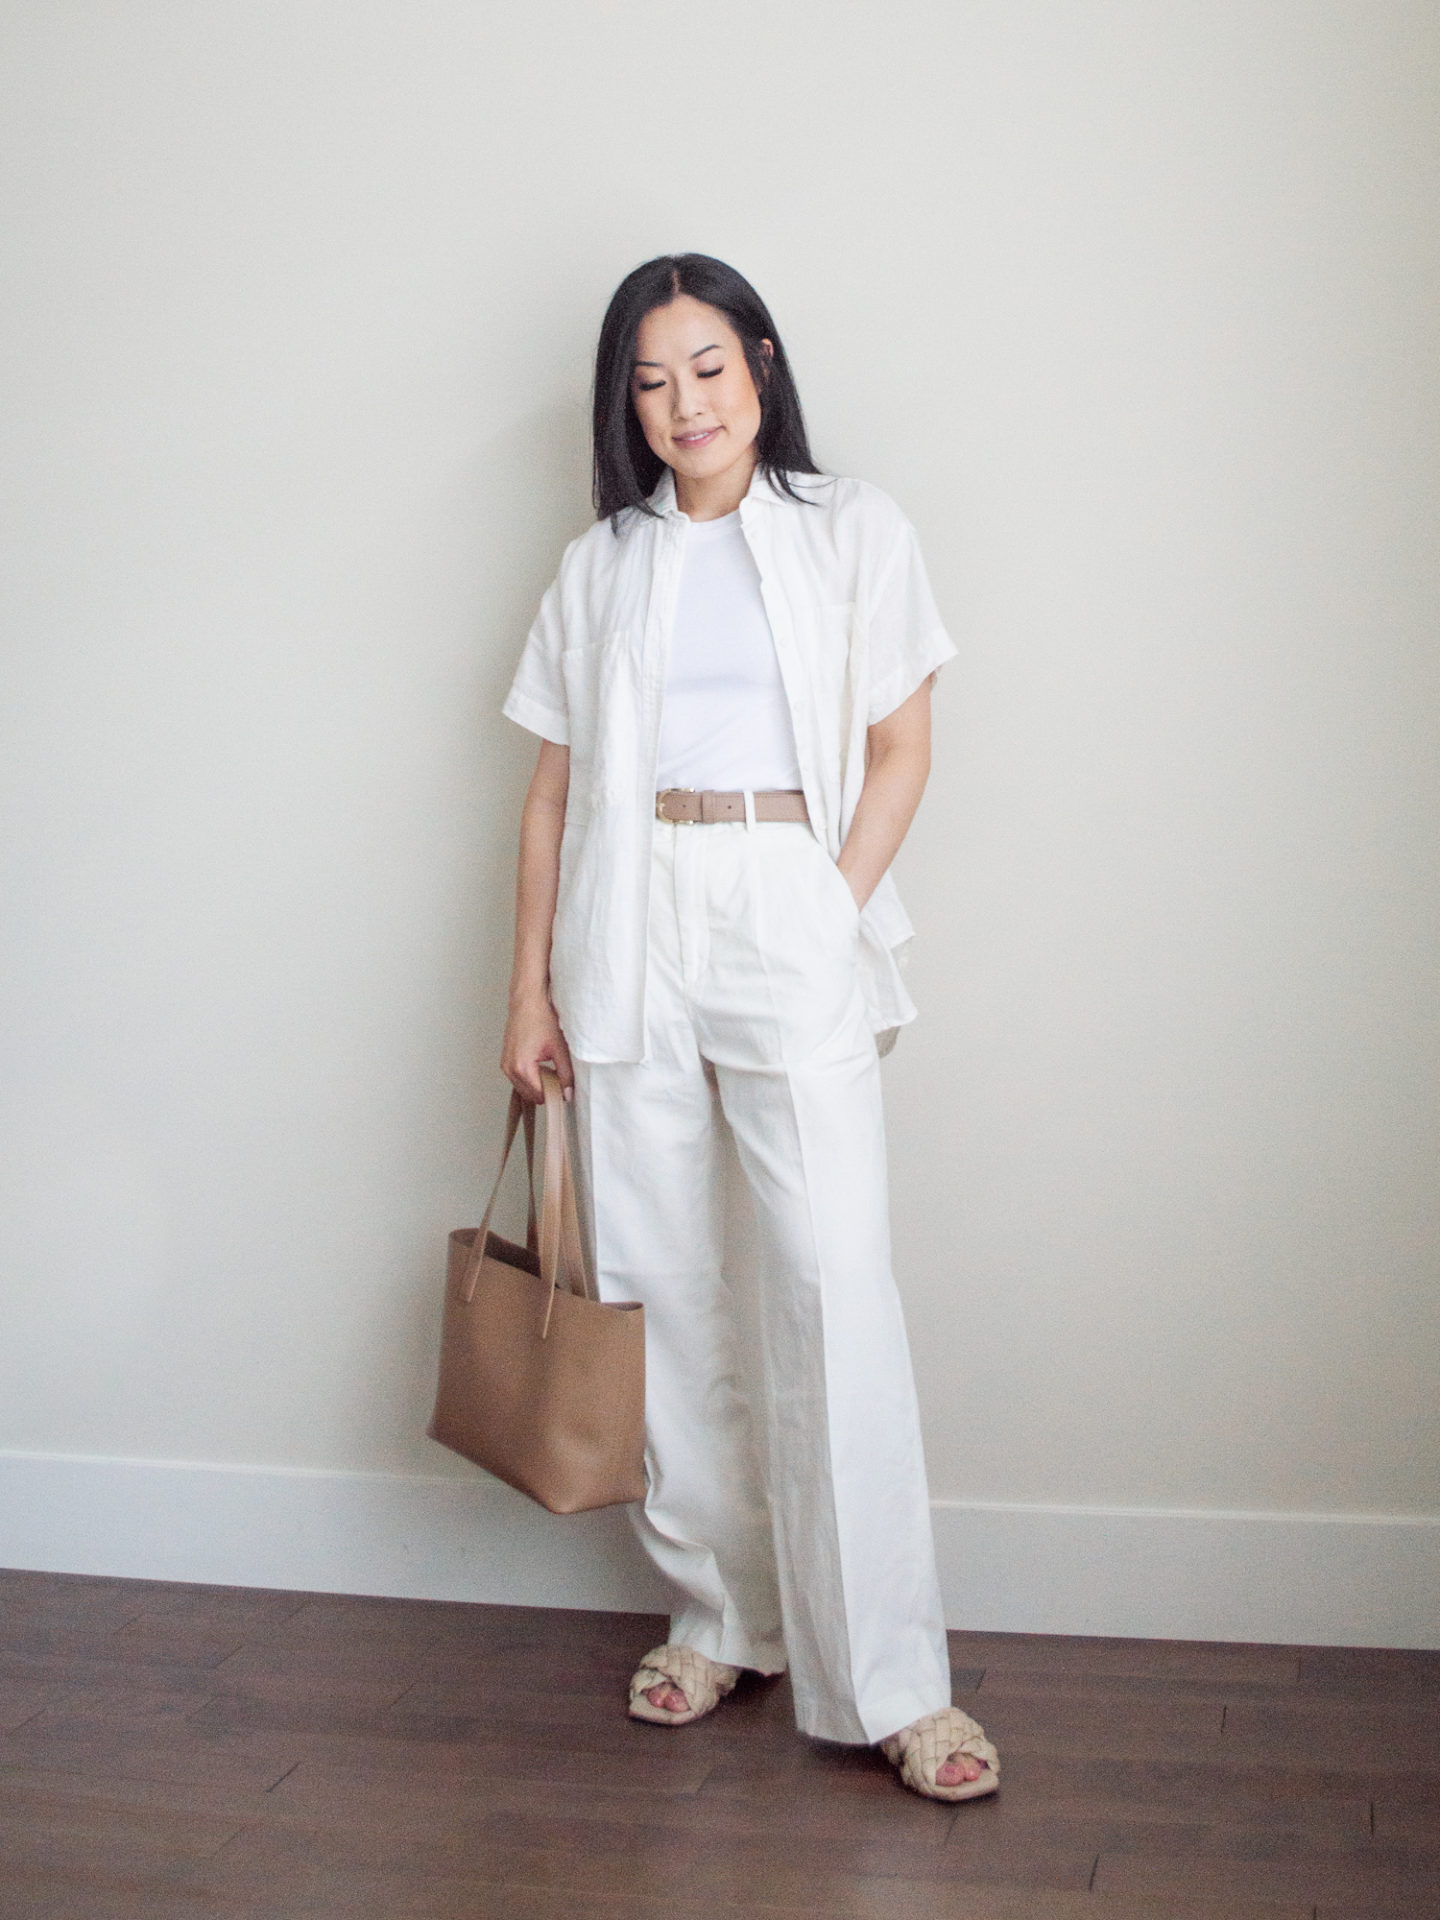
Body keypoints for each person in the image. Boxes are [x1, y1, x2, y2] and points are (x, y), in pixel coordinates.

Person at [499, 253, 998, 1803]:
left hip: (785, 892)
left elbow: (903, 743)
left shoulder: (852, 529)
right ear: (626, 405)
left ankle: (895, 1682)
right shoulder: (603, 565)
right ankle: (726, 1614)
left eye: (705, 367)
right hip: (627, 914)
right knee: (660, 1285)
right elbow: (555, 791)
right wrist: (528, 989)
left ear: (761, 367)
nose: (681, 405)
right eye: (649, 382)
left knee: (829, 1276)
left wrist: (828, 903)